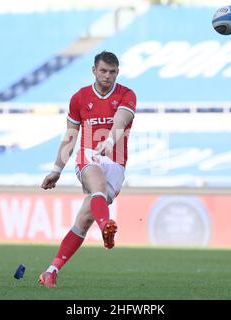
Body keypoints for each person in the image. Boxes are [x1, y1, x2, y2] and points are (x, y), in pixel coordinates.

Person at [38, 51, 136, 288]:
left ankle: (50, 271)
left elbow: (121, 122)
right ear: (94, 70)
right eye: (103, 71)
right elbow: (70, 136)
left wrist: (110, 142)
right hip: (88, 156)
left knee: (82, 221)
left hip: (116, 162)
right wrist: (56, 169)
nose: (107, 76)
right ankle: (107, 227)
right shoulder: (80, 98)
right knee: (97, 184)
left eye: (112, 72)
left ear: (118, 72)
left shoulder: (126, 94)